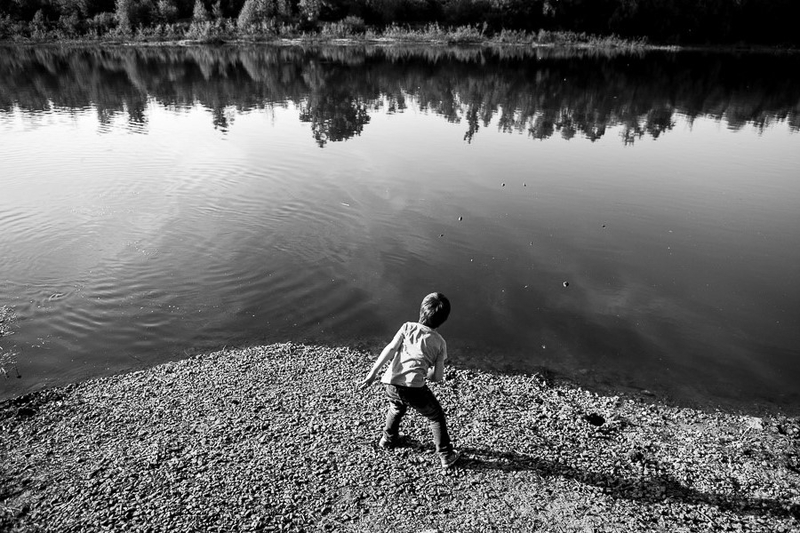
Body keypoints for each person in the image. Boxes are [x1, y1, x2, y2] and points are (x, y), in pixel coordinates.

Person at [360, 292, 460, 469]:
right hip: (414, 389)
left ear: (421, 311)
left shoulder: (407, 327)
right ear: (443, 320)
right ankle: (446, 455)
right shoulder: (440, 343)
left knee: (396, 407)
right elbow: (437, 377)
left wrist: (373, 373)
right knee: (436, 416)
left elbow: (391, 348)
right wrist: (427, 373)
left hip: (391, 383)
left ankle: (388, 439)